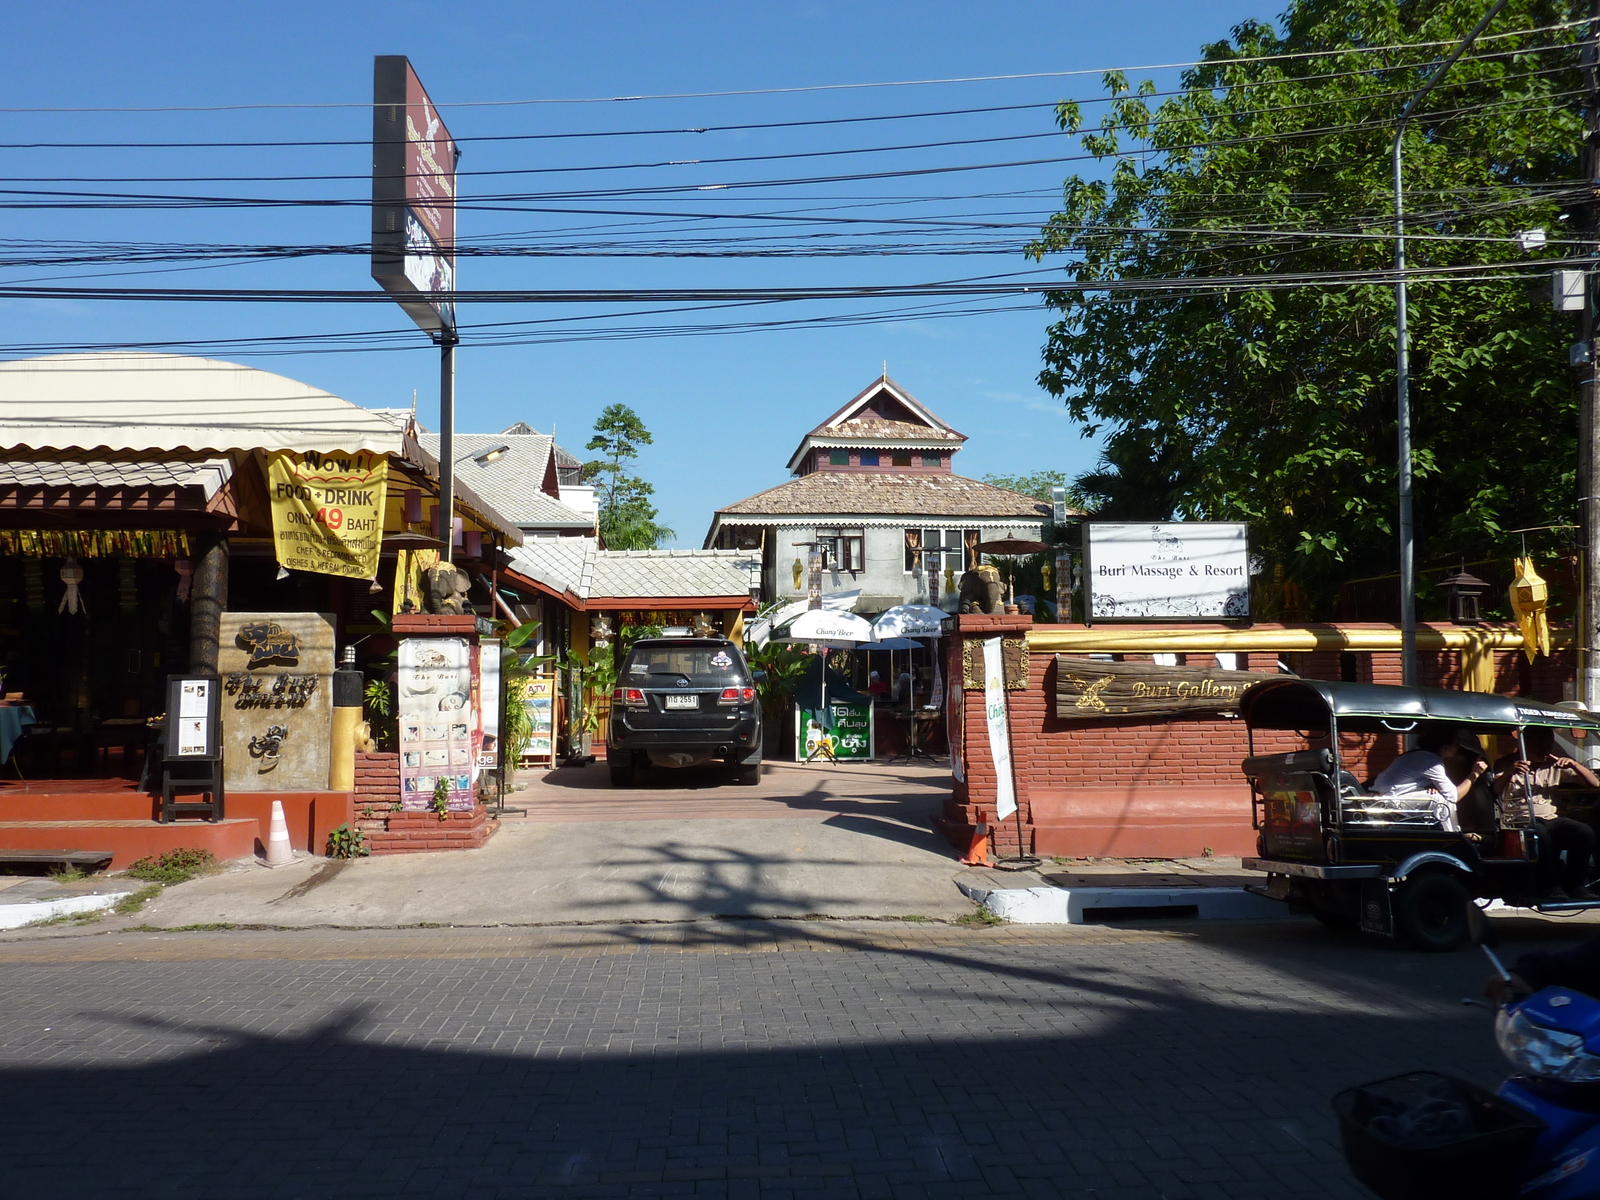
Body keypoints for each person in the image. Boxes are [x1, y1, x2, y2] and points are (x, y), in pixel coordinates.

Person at [1495, 727, 1600, 901]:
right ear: (1526, 745)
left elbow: (1594, 783)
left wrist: (1574, 764)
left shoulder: (1553, 764)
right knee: (1541, 835)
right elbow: (1497, 790)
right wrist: (1510, 772)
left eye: (1548, 745)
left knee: (1584, 832)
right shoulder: (1507, 763)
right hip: (1520, 818)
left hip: (1550, 818)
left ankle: (1575, 885)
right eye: (1539, 745)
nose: (1545, 749)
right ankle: (1550, 885)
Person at [1371, 726, 1490, 806]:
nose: (1459, 748)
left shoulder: (1422, 756)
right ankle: (1452, 834)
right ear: (1445, 747)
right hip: (1387, 800)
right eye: (1456, 744)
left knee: (1435, 795)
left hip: (1386, 795)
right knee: (1441, 801)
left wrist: (1430, 785)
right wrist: (1474, 774)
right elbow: (1454, 796)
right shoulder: (1431, 761)